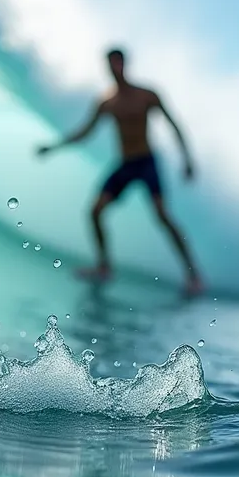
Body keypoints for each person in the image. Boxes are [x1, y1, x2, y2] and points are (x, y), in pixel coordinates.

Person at [37, 48, 204, 296]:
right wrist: (55, 147)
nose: (114, 68)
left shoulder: (147, 95)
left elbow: (173, 124)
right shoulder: (107, 102)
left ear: (125, 64)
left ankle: (194, 276)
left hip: (147, 163)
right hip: (125, 164)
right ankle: (104, 267)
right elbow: (85, 132)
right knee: (95, 211)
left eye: (118, 63)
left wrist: (187, 159)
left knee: (162, 215)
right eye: (110, 64)